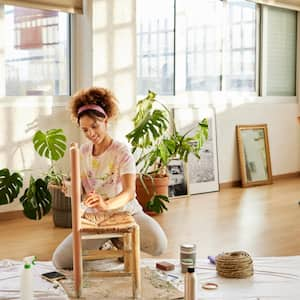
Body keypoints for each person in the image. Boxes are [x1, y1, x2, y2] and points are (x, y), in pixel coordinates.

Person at [52, 87, 168, 269]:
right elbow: (81, 191)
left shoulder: (121, 152)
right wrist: (70, 187)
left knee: (159, 245)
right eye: (85, 130)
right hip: (95, 219)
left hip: (127, 212)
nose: (90, 133)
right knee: (60, 261)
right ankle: (109, 240)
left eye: (94, 126)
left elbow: (129, 192)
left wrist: (106, 204)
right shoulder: (82, 153)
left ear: (105, 120)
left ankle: (118, 238)